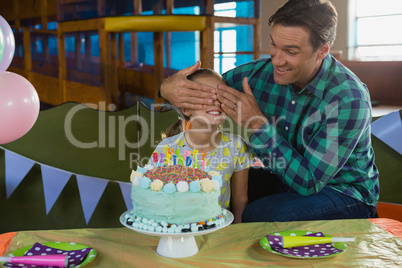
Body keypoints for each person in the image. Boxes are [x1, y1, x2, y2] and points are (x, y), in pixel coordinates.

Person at [159, 0, 379, 222]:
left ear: (322, 50)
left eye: (290, 51)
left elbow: (309, 182)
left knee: (258, 214)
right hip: (284, 178)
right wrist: (166, 88)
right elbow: (204, 88)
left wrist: (257, 125)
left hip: (341, 193)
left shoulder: (348, 98)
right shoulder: (257, 75)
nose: (277, 60)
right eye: (274, 45)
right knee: (216, 183)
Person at [150, 68, 255, 223]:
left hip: (219, 232)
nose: (214, 102)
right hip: (176, 233)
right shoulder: (167, 148)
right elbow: (154, 199)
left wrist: (237, 233)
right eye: (203, 97)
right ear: (185, 108)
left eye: (220, 96)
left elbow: (240, 200)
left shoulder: (236, 146)